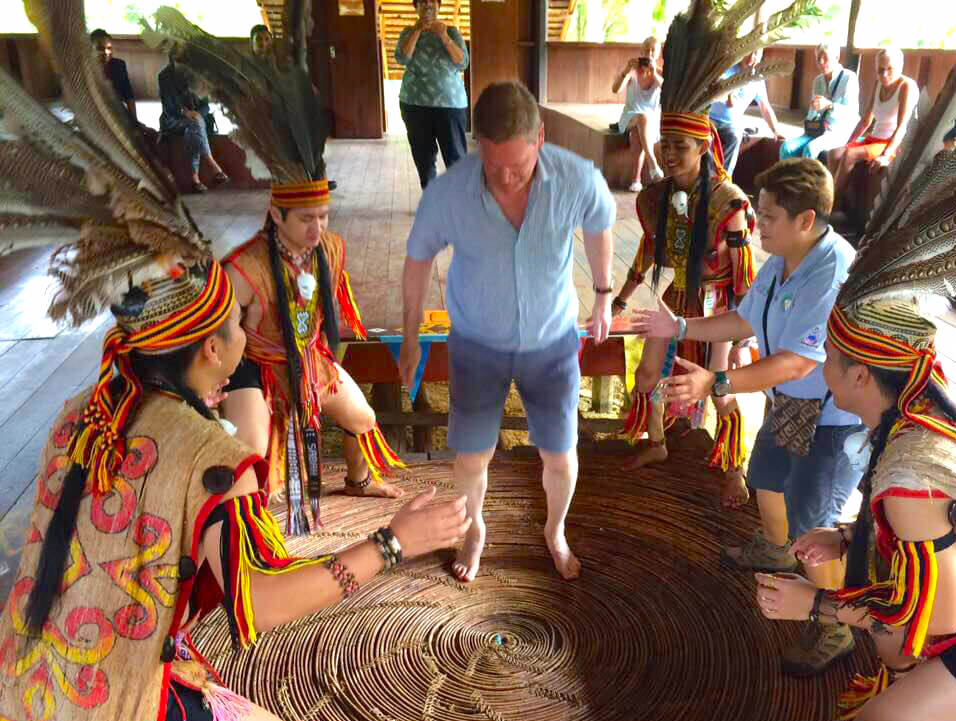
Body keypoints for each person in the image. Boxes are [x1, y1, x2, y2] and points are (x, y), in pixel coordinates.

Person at [0, 8, 472, 719]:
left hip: (25, 683)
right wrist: (393, 542)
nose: (237, 346)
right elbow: (254, 602)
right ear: (210, 348)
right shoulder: (204, 452)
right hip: (124, 701)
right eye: (229, 335)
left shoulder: (82, 413)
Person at [752, 27, 956, 721]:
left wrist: (815, 601)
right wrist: (847, 539)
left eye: (833, 360)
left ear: (860, 377)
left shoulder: (906, 470)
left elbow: (938, 613)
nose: (826, 368)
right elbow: (933, 553)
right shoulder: (927, 414)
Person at [150, 9, 409, 530]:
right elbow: (213, 336)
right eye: (307, 219)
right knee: (249, 459)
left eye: (324, 216)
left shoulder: (330, 249)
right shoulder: (243, 268)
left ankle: (359, 479)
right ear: (276, 215)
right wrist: (211, 386)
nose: (317, 228)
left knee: (363, 417)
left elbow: (328, 318)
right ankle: (235, 519)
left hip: (307, 361)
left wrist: (322, 368)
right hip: (257, 370)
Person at [632, 158, 866, 677]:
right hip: (792, 399)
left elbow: (799, 360)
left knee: (814, 515)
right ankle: (779, 552)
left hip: (834, 413)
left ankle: (835, 626)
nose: (758, 224)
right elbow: (744, 317)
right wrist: (679, 326)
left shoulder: (829, 271)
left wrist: (715, 383)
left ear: (806, 220)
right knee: (766, 476)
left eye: (770, 216)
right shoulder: (783, 258)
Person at [400, 81, 617, 583]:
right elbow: (417, 261)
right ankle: (474, 529)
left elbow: (601, 222)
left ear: (540, 137)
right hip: (477, 344)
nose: (503, 178)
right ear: (477, 144)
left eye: (516, 167)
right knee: (472, 456)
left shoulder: (577, 177)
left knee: (561, 455)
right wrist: (410, 337)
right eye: (493, 165)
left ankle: (554, 531)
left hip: (553, 340)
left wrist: (603, 295)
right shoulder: (449, 191)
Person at [611, 2, 766, 492]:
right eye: (665, 143)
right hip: (670, 295)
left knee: (719, 385)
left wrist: (744, 335)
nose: (668, 152)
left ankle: (732, 467)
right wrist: (624, 294)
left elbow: (743, 279)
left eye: (681, 145)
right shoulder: (657, 196)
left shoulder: (728, 203)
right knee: (648, 375)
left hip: (716, 305)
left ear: (704, 147)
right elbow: (651, 252)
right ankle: (656, 440)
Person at [395, 0, 470, 189]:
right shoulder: (407, 33)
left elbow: (462, 63)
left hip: (450, 106)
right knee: (424, 159)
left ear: (439, 6)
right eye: (422, 1)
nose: (427, 4)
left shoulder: (451, 31)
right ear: (416, 7)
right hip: (415, 105)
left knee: (456, 158)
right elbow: (402, 58)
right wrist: (417, 31)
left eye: (432, 1)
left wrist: (443, 36)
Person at [827, 47, 918, 201]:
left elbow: (902, 127)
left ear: (900, 67)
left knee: (850, 154)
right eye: (880, 70)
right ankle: (838, 200)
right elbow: (865, 120)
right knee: (834, 153)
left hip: (892, 143)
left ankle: (831, 205)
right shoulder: (879, 84)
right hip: (874, 139)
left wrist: (885, 155)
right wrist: (849, 142)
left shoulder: (906, 86)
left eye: (890, 69)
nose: (884, 74)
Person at [158, 55, 230, 193]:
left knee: (194, 126)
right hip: (173, 119)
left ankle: (195, 180)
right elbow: (169, 107)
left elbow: (206, 106)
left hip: (195, 120)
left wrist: (197, 114)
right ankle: (212, 165)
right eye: (179, 61)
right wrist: (186, 113)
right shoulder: (164, 76)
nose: (185, 66)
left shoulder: (196, 74)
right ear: (172, 61)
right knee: (195, 125)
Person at [709, 49, 785, 174]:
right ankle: (707, 176)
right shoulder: (728, 70)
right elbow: (716, 90)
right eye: (748, 53)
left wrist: (775, 130)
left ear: (760, 57)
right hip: (712, 118)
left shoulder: (758, 79)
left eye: (755, 54)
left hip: (731, 123)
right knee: (706, 138)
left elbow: (765, 107)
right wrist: (726, 96)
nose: (751, 58)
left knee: (736, 135)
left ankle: (725, 177)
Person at [780, 43, 860, 161]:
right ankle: (785, 179)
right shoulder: (818, 81)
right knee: (786, 147)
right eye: (818, 59)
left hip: (838, 131)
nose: (821, 62)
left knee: (811, 148)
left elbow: (851, 114)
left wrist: (829, 105)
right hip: (818, 129)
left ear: (836, 58)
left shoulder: (849, 78)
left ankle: (806, 179)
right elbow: (813, 112)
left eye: (825, 58)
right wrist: (808, 126)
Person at [612, 36, 663, 192]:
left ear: (658, 54)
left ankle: (636, 181)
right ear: (641, 51)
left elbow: (668, 92)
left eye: (653, 50)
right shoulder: (632, 72)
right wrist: (627, 70)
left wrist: (654, 73)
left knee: (637, 135)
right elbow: (615, 89)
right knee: (642, 117)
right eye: (646, 49)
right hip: (629, 118)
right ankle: (652, 161)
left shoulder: (659, 75)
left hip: (649, 124)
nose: (649, 52)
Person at [90, 28, 138, 124]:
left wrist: (134, 121)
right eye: (100, 48)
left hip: (117, 112)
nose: (106, 52)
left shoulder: (119, 65)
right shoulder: (86, 69)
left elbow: (129, 95)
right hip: (94, 116)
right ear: (90, 49)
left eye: (109, 48)